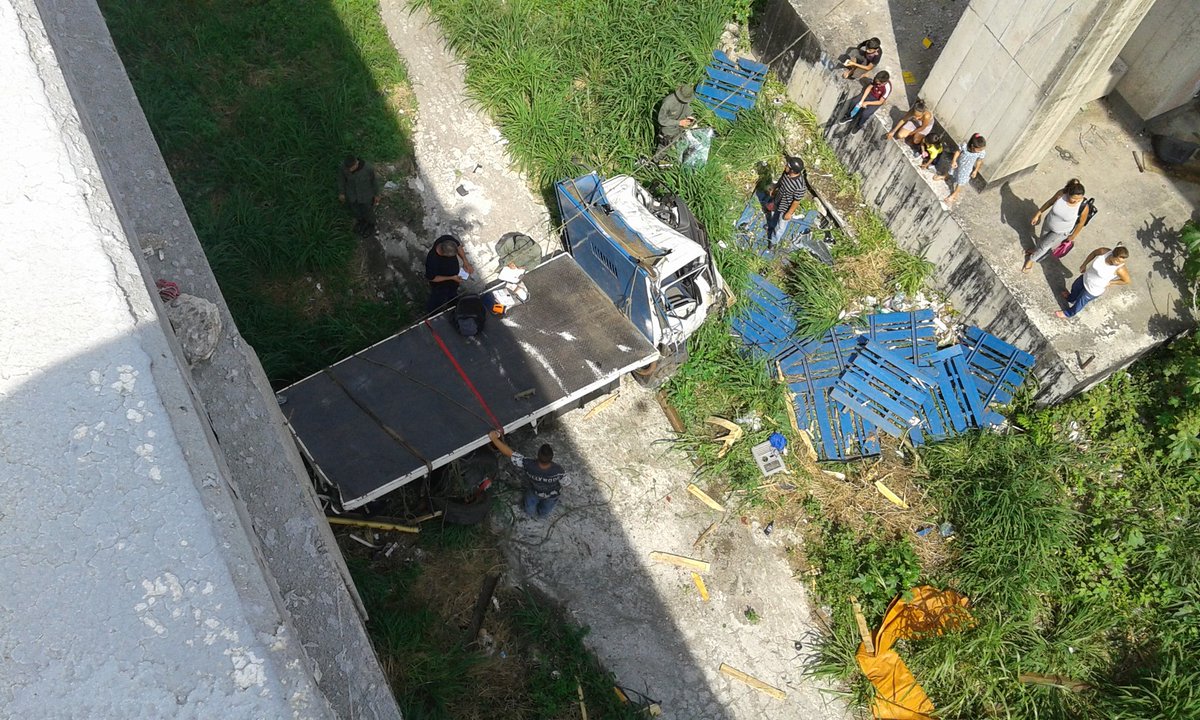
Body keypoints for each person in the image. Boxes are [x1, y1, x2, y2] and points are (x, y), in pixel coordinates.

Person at [488, 430, 568, 519]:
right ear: (551, 458)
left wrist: (494, 439)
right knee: (546, 510)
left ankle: (530, 514)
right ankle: (542, 515)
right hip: (552, 495)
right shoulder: (558, 470)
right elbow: (566, 483)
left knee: (530, 506)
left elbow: (510, 453)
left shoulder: (528, 464)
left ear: (538, 456)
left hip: (535, 491)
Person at [1024, 179, 1090, 271]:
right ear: (1068, 194)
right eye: (1074, 198)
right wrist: (1038, 214)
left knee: (1044, 246)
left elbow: (1081, 223)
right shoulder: (1061, 194)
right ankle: (1036, 250)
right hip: (1049, 222)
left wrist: (1073, 235)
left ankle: (1031, 260)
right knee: (1042, 239)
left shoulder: (1083, 206)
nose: (1076, 201)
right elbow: (1049, 203)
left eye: (1079, 199)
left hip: (1060, 232)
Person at [1056, 246, 1130, 319]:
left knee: (1080, 302)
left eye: (1122, 262)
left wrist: (1111, 282)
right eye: (1117, 261)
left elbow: (1126, 281)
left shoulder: (1120, 269)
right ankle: (1071, 298)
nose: (1119, 263)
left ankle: (1068, 313)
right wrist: (1084, 264)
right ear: (1112, 255)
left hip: (1093, 289)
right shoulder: (1104, 252)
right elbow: (1094, 253)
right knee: (1075, 287)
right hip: (1085, 278)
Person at [424, 234, 474, 313]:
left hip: (453, 280)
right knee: (437, 300)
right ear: (444, 254)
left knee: (453, 294)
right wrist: (451, 277)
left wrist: (465, 261)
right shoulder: (432, 261)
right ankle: (433, 315)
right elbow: (432, 278)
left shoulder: (446, 240)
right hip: (440, 285)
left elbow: (458, 247)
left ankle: (453, 306)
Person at [766, 156, 808, 244]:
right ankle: (772, 226)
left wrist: (789, 213)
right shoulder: (786, 173)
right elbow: (781, 180)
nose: (785, 166)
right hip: (778, 198)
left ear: (792, 170)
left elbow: (796, 201)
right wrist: (774, 188)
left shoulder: (800, 186)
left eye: (787, 166)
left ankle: (773, 241)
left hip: (786, 206)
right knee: (774, 213)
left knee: (781, 226)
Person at [936, 133, 986, 204]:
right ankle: (945, 176)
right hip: (958, 163)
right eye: (979, 149)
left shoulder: (981, 153)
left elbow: (979, 161)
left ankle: (954, 194)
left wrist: (975, 170)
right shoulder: (964, 146)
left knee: (960, 182)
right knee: (951, 170)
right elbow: (957, 152)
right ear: (972, 146)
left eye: (982, 149)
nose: (981, 150)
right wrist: (954, 160)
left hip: (966, 170)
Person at [337, 156, 380, 236]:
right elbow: (341, 179)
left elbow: (374, 181)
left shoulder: (368, 168)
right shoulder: (343, 167)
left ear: (357, 163)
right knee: (355, 210)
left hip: (366, 195)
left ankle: (371, 225)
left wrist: (376, 195)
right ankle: (361, 222)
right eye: (348, 168)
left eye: (351, 168)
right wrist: (341, 192)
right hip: (352, 194)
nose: (349, 170)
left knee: (368, 210)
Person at [656, 84, 696, 149]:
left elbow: (688, 109)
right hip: (668, 130)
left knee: (678, 148)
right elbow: (661, 120)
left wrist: (691, 116)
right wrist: (679, 123)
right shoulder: (668, 102)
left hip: (679, 129)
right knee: (664, 148)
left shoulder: (686, 99)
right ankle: (656, 159)